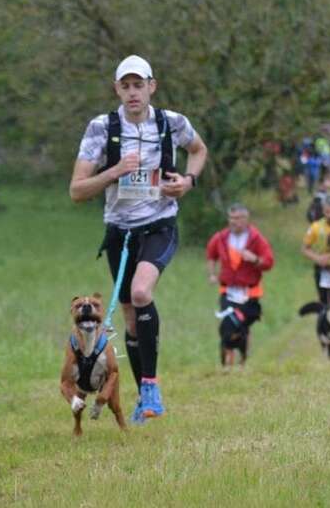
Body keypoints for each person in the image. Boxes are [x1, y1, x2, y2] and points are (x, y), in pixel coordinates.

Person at [70, 55, 208, 422]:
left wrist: (188, 182)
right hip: (119, 232)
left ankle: (150, 385)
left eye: (139, 85)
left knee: (142, 292)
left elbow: (199, 150)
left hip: (160, 223)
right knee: (131, 319)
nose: (132, 93)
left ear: (152, 86)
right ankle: (144, 401)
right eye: (125, 86)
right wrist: (113, 171)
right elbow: (77, 190)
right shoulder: (102, 128)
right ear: (117, 89)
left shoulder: (172, 122)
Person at [206, 204, 274, 367]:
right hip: (228, 291)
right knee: (228, 324)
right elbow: (211, 255)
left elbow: (269, 262)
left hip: (250, 293)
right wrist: (212, 274)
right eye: (231, 218)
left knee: (242, 327)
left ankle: (243, 360)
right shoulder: (221, 238)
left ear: (246, 219)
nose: (233, 222)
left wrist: (255, 259)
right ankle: (227, 362)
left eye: (237, 218)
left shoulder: (256, 239)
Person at [302, 194, 330, 306]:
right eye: (327, 212)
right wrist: (317, 258)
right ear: (323, 210)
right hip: (321, 268)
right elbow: (304, 248)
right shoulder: (316, 227)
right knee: (323, 304)